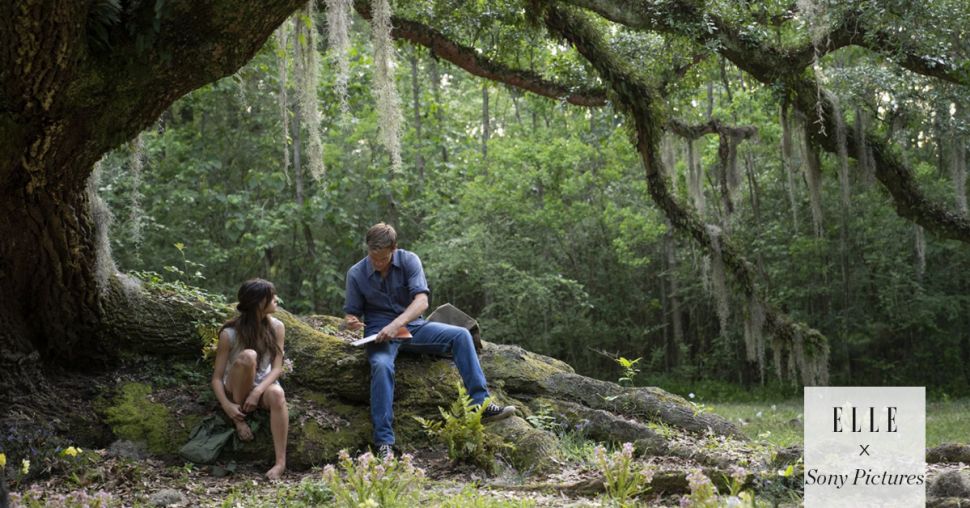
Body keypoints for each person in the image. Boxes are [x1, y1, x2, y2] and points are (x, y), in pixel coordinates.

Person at [344, 223, 515, 459]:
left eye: (383, 259)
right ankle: (384, 442)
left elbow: (422, 302)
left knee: (461, 335)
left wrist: (398, 323)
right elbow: (351, 313)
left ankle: (481, 404)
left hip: (413, 327)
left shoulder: (409, 260)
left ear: (394, 249)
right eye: (373, 258)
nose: (378, 263)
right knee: (381, 366)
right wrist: (351, 321)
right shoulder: (356, 273)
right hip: (380, 333)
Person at [211, 278, 288, 480]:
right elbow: (217, 378)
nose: (276, 299)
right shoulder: (229, 334)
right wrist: (227, 405)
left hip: (263, 384)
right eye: (272, 297)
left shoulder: (278, 327)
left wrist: (258, 391)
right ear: (258, 303)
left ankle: (280, 463)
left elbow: (277, 367)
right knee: (249, 356)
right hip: (235, 385)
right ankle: (239, 420)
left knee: (278, 394)